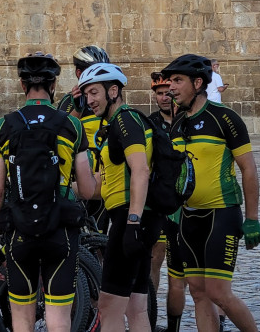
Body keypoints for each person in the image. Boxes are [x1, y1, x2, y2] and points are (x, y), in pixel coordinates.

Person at [0, 52, 96, 332]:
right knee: (59, 318)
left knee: (22, 318)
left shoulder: (4, 126)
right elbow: (85, 189)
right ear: (54, 85)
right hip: (60, 230)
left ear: (22, 86)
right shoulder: (72, 125)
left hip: (19, 230)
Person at [162, 54, 260, 332]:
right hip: (188, 218)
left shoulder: (225, 118)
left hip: (222, 214)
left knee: (219, 293)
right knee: (198, 293)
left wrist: (252, 218)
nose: (171, 86)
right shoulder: (178, 123)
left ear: (197, 83)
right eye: (170, 81)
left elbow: (249, 169)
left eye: (178, 80)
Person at [77, 62, 162, 332]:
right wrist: (60, 187)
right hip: (136, 219)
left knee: (108, 306)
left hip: (132, 219)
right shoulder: (112, 126)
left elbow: (141, 170)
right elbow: (96, 189)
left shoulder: (125, 120)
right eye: (85, 94)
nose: (88, 100)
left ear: (113, 91)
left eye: (94, 93)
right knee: (136, 308)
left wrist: (133, 223)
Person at [58, 45, 111, 232]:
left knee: (100, 234)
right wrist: (77, 108)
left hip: (103, 179)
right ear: (79, 73)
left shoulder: (107, 101)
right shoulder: (68, 101)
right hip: (78, 180)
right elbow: (61, 135)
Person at [147, 71, 178, 331]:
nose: (164, 97)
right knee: (155, 259)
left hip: (184, 201)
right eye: (159, 93)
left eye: (168, 92)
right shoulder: (150, 123)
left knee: (183, 269)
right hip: (159, 201)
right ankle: (151, 318)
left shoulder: (186, 120)